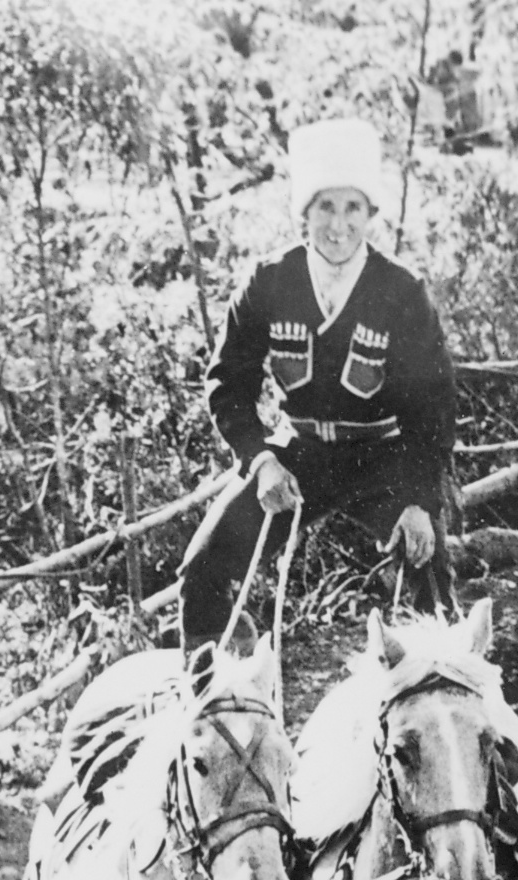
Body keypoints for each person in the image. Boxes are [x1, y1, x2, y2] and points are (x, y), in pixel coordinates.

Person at [178, 115, 459, 657]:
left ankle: (447, 724)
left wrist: (420, 500)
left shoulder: (400, 291)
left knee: (430, 579)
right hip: (296, 454)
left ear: (370, 213)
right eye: (324, 207)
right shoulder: (270, 282)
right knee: (204, 566)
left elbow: (434, 409)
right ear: (303, 212)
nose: (338, 225)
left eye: (352, 207)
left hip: (384, 456)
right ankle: (212, 712)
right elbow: (227, 384)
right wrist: (260, 461)